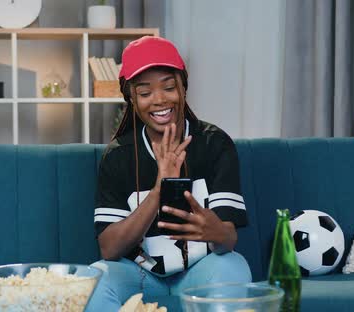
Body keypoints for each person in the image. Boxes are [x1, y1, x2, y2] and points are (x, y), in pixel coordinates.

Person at [87, 36, 251, 311]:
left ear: (183, 88)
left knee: (233, 266)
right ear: (131, 98)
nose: (159, 100)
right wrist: (159, 189)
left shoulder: (214, 143)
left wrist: (215, 231)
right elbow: (109, 250)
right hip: (140, 276)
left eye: (168, 87)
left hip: (203, 270)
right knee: (93, 279)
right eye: (145, 92)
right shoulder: (118, 156)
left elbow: (228, 241)